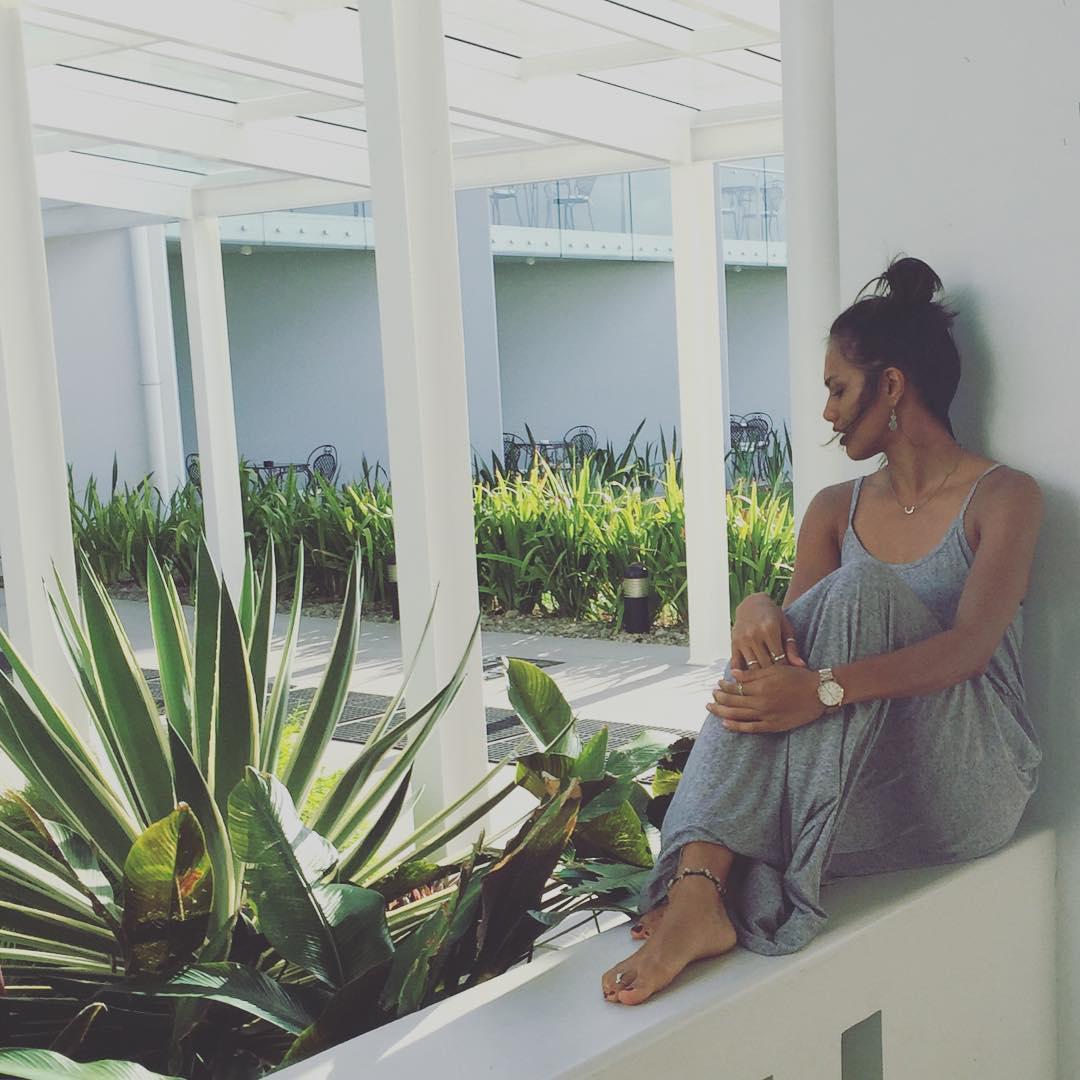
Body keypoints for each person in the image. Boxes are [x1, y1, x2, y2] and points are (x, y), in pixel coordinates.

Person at [602, 256, 1043, 1006]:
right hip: (872, 785)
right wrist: (758, 608)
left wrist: (825, 691)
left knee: (863, 589)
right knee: (787, 638)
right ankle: (700, 891)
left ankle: (706, 882)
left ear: (891, 386)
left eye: (838, 388)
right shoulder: (834, 509)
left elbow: (970, 649)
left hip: (972, 780)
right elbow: (793, 659)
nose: (828, 413)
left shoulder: (1004, 496)